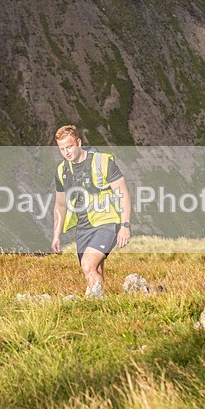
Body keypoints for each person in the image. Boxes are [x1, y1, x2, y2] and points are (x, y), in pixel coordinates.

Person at [51, 125, 131, 297]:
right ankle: (104, 311)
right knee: (94, 272)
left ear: (78, 142)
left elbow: (123, 194)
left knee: (87, 264)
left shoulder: (102, 162)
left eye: (69, 146)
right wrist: (56, 235)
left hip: (107, 222)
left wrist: (124, 225)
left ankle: (95, 305)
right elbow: (60, 205)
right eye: (62, 149)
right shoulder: (62, 171)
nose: (67, 152)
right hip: (83, 228)